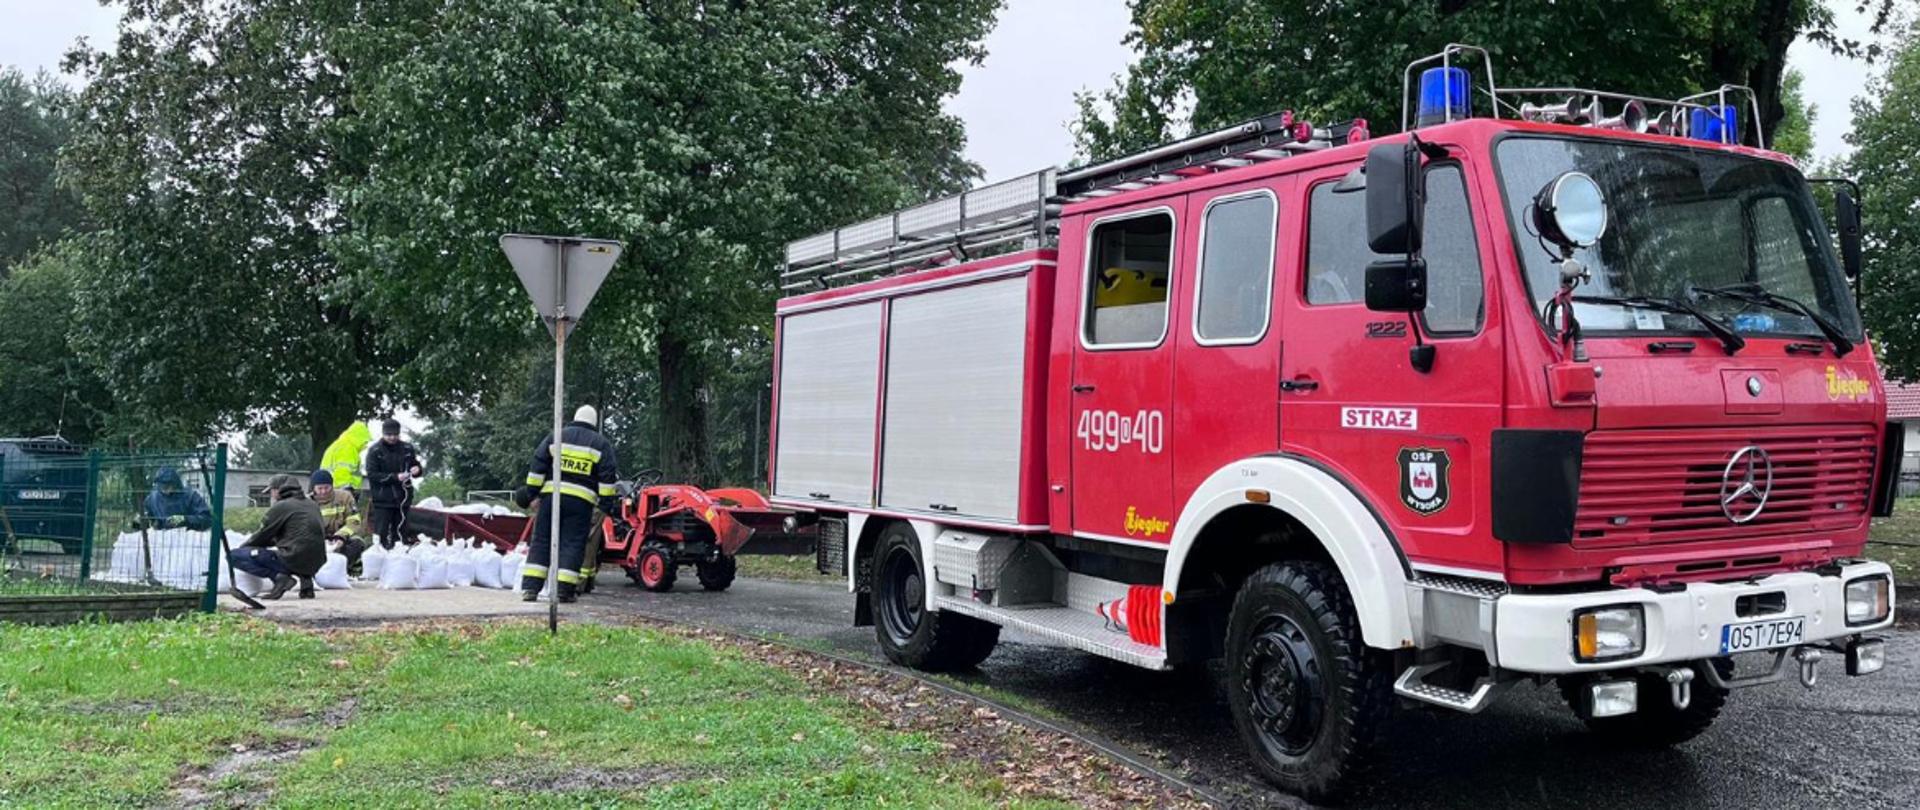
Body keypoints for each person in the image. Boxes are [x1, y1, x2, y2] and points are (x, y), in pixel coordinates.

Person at [513, 405, 618, 603]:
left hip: (551, 498)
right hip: (581, 504)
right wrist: (605, 505)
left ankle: (530, 589)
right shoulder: (600, 444)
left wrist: (532, 493)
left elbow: (538, 465)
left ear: (575, 418)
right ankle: (564, 591)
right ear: (594, 423)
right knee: (572, 544)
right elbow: (607, 478)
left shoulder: (556, 436)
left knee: (541, 541)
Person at [230, 474, 326, 599]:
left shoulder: (282, 506)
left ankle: (279, 578)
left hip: (294, 557)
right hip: (316, 561)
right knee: (301, 547)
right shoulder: (312, 504)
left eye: (271, 491)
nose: (271, 495)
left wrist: (244, 548)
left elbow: (263, 535)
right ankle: (306, 580)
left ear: (278, 490)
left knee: (233, 556)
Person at [363, 418, 422, 549]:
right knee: (381, 534)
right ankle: (380, 556)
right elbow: (372, 474)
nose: (392, 437)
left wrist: (417, 469)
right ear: (383, 434)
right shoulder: (375, 451)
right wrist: (395, 477)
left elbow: (415, 465)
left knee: (400, 534)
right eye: (389, 435)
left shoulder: (407, 448)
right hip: (382, 499)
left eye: (395, 434)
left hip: (403, 499)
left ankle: (399, 557)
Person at [309, 469, 366, 574]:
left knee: (358, 543)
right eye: (320, 488)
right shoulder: (307, 502)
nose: (323, 491)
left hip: (341, 538)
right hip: (318, 540)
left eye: (327, 487)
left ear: (332, 485)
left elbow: (354, 521)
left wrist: (340, 537)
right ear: (313, 488)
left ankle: (343, 569)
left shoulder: (345, 497)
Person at [142, 467, 212, 531]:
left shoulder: (191, 496)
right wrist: (153, 522)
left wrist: (185, 519)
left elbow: (207, 519)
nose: (165, 490)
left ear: (175, 484)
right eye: (162, 487)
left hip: (189, 537)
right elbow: (148, 518)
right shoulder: (152, 498)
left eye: (167, 486)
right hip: (163, 538)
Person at [319, 420, 374, 498]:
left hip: (330, 489)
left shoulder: (339, 444)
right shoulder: (348, 449)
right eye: (364, 441)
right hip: (342, 491)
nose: (365, 444)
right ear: (358, 438)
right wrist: (346, 491)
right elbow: (342, 472)